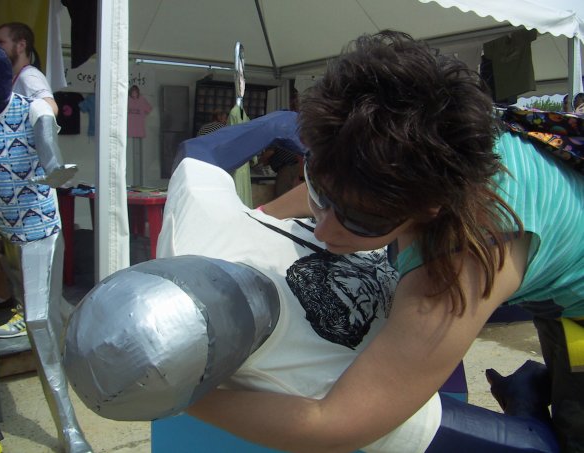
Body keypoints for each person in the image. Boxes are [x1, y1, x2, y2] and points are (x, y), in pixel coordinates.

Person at [175, 31, 583, 452]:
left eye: (362, 221)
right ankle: (534, 388)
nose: (324, 232)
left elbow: (335, 424)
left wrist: (179, 396)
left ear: (430, 210)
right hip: (556, 261)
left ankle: (529, 399)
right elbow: (344, 190)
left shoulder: (459, 264)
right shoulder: (411, 145)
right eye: (318, 191)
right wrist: (255, 222)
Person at [0, 38, 90, 452]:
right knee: (34, 309)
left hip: (38, 229)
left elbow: (49, 150)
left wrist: (56, 168)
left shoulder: (33, 109)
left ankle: (69, 428)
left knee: (39, 321)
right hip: (0, 234)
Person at [0, 22, 58, 115]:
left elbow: (50, 108)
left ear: (21, 46)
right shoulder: (18, 76)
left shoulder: (28, 76)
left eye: (0, 42)